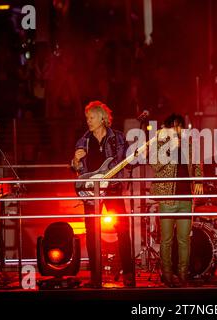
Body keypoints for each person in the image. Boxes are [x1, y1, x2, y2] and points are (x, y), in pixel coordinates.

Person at [71, 100, 135, 287]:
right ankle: (95, 276)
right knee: (91, 232)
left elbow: (129, 160)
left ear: (102, 118)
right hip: (91, 191)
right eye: (87, 118)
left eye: (91, 118)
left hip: (113, 188)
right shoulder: (83, 139)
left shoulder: (119, 138)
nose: (88, 121)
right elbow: (75, 168)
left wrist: (135, 157)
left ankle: (129, 273)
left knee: (122, 230)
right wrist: (75, 160)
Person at [150, 113, 203, 287]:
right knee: (166, 239)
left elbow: (197, 164)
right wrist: (170, 147)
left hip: (186, 197)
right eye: (173, 126)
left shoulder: (188, 144)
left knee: (184, 239)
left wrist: (199, 180)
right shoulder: (159, 144)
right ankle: (167, 274)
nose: (177, 130)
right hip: (167, 197)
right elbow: (155, 165)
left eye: (179, 126)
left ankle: (182, 274)